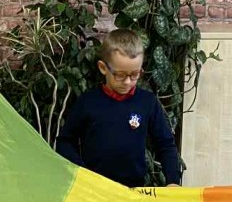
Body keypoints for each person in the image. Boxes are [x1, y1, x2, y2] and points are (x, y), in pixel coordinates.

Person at [54, 29, 182, 188]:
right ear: (103, 67)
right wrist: (83, 174)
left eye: (135, 74)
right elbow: (65, 142)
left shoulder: (148, 102)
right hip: (93, 189)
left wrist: (173, 181)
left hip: (133, 190)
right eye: (120, 75)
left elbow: (166, 144)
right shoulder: (88, 102)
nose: (128, 82)